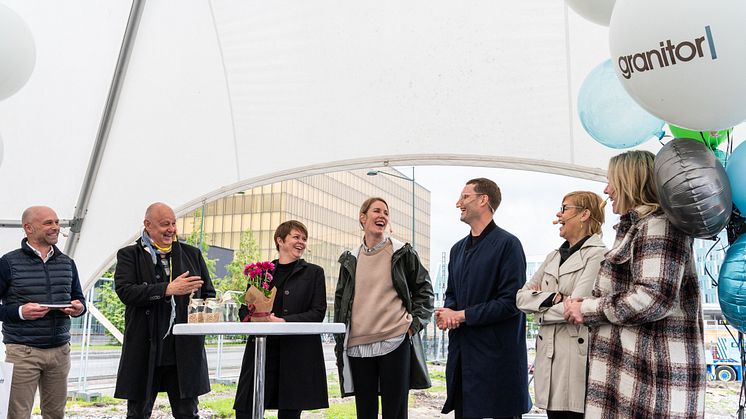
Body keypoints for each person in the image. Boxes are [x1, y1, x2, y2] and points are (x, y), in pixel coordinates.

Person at [564, 150, 706, 418]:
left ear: (631, 181)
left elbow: (653, 299)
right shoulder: (637, 227)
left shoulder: (658, 226)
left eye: (612, 182)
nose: (607, 190)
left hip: (651, 383)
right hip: (633, 379)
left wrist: (587, 309)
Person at [436, 178, 531, 419]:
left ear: (483, 200)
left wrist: (461, 315)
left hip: (497, 363)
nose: (458, 203)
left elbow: (511, 302)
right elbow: (452, 294)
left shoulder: (508, 244)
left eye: (465, 197)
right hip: (464, 360)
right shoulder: (457, 249)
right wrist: (448, 313)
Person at [334, 197, 434, 419]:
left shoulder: (402, 252)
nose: (382, 216)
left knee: (395, 411)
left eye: (386, 213)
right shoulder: (350, 258)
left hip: (395, 340)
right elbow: (341, 299)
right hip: (358, 345)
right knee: (365, 411)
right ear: (363, 217)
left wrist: (412, 326)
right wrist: (341, 334)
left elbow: (425, 292)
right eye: (376, 211)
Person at [113, 202, 215, 419]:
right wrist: (167, 289)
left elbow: (208, 294)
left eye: (173, 223)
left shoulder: (191, 254)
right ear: (147, 225)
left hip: (184, 351)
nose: (171, 229)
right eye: (164, 224)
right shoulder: (129, 255)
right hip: (145, 347)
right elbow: (125, 292)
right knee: (138, 413)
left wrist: (202, 311)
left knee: (188, 413)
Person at [516, 191, 607, 419]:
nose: (558, 214)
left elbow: (577, 308)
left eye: (565, 208)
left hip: (576, 361)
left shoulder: (597, 255)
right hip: (549, 360)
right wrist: (554, 298)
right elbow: (520, 298)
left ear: (584, 214)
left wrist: (539, 309)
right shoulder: (553, 256)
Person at [233, 220, 329, 418]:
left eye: (304, 238)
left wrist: (284, 322)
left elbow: (318, 313)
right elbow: (244, 309)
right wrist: (256, 318)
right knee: (246, 409)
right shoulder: (260, 273)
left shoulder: (314, 273)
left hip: (296, 352)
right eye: (296, 237)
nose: (301, 242)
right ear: (280, 240)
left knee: (289, 413)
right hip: (262, 349)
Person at [0, 206, 86, 418]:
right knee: (18, 414)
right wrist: (20, 312)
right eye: (48, 223)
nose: (56, 227)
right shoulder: (8, 263)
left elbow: (79, 299)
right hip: (22, 352)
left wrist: (78, 309)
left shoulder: (68, 263)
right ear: (28, 228)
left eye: (57, 222)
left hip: (60, 353)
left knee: (55, 414)